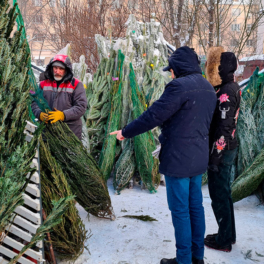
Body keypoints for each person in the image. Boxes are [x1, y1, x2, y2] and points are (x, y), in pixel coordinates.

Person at [110, 46, 217, 264]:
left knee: (180, 211)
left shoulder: (179, 87)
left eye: (172, 69)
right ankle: (197, 257)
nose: (170, 73)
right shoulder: (207, 87)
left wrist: (125, 132)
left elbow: (153, 116)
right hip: (198, 157)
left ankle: (184, 259)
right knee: (196, 207)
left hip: (178, 159)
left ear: (179, 68)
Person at [204, 47, 241, 252]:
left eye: (217, 66)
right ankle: (228, 234)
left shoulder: (227, 92)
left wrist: (215, 158)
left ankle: (223, 240)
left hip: (223, 150)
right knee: (225, 194)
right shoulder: (232, 86)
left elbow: (224, 128)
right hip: (229, 147)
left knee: (218, 195)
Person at [31, 54, 87, 140]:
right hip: (47, 132)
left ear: (66, 70)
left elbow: (81, 107)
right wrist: (39, 114)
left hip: (70, 132)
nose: (57, 71)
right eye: (55, 68)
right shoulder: (43, 84)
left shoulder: (76, 84)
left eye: (61, 69)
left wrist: (63, 115)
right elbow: (35, 102)